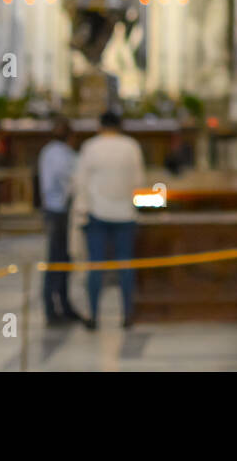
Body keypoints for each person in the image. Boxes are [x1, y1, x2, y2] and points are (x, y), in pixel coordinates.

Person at [73, 110, 144, 329]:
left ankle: (94, 315)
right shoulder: (131, 146)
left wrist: (81, 210)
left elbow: (80, 182)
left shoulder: (91, 147)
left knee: (95, 265)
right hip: (125, 213)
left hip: (97, 213)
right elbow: (139, 181)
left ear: (100, 125)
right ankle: (127, 315)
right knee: (125, 264)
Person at [38, 114, 82, 326]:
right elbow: (68, 180)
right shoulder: (59, 154)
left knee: (64, 258)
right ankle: (51, 306)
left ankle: (63, 303)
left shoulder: (52, 152)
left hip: (59, 209)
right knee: (57, 259)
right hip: (58, 210)